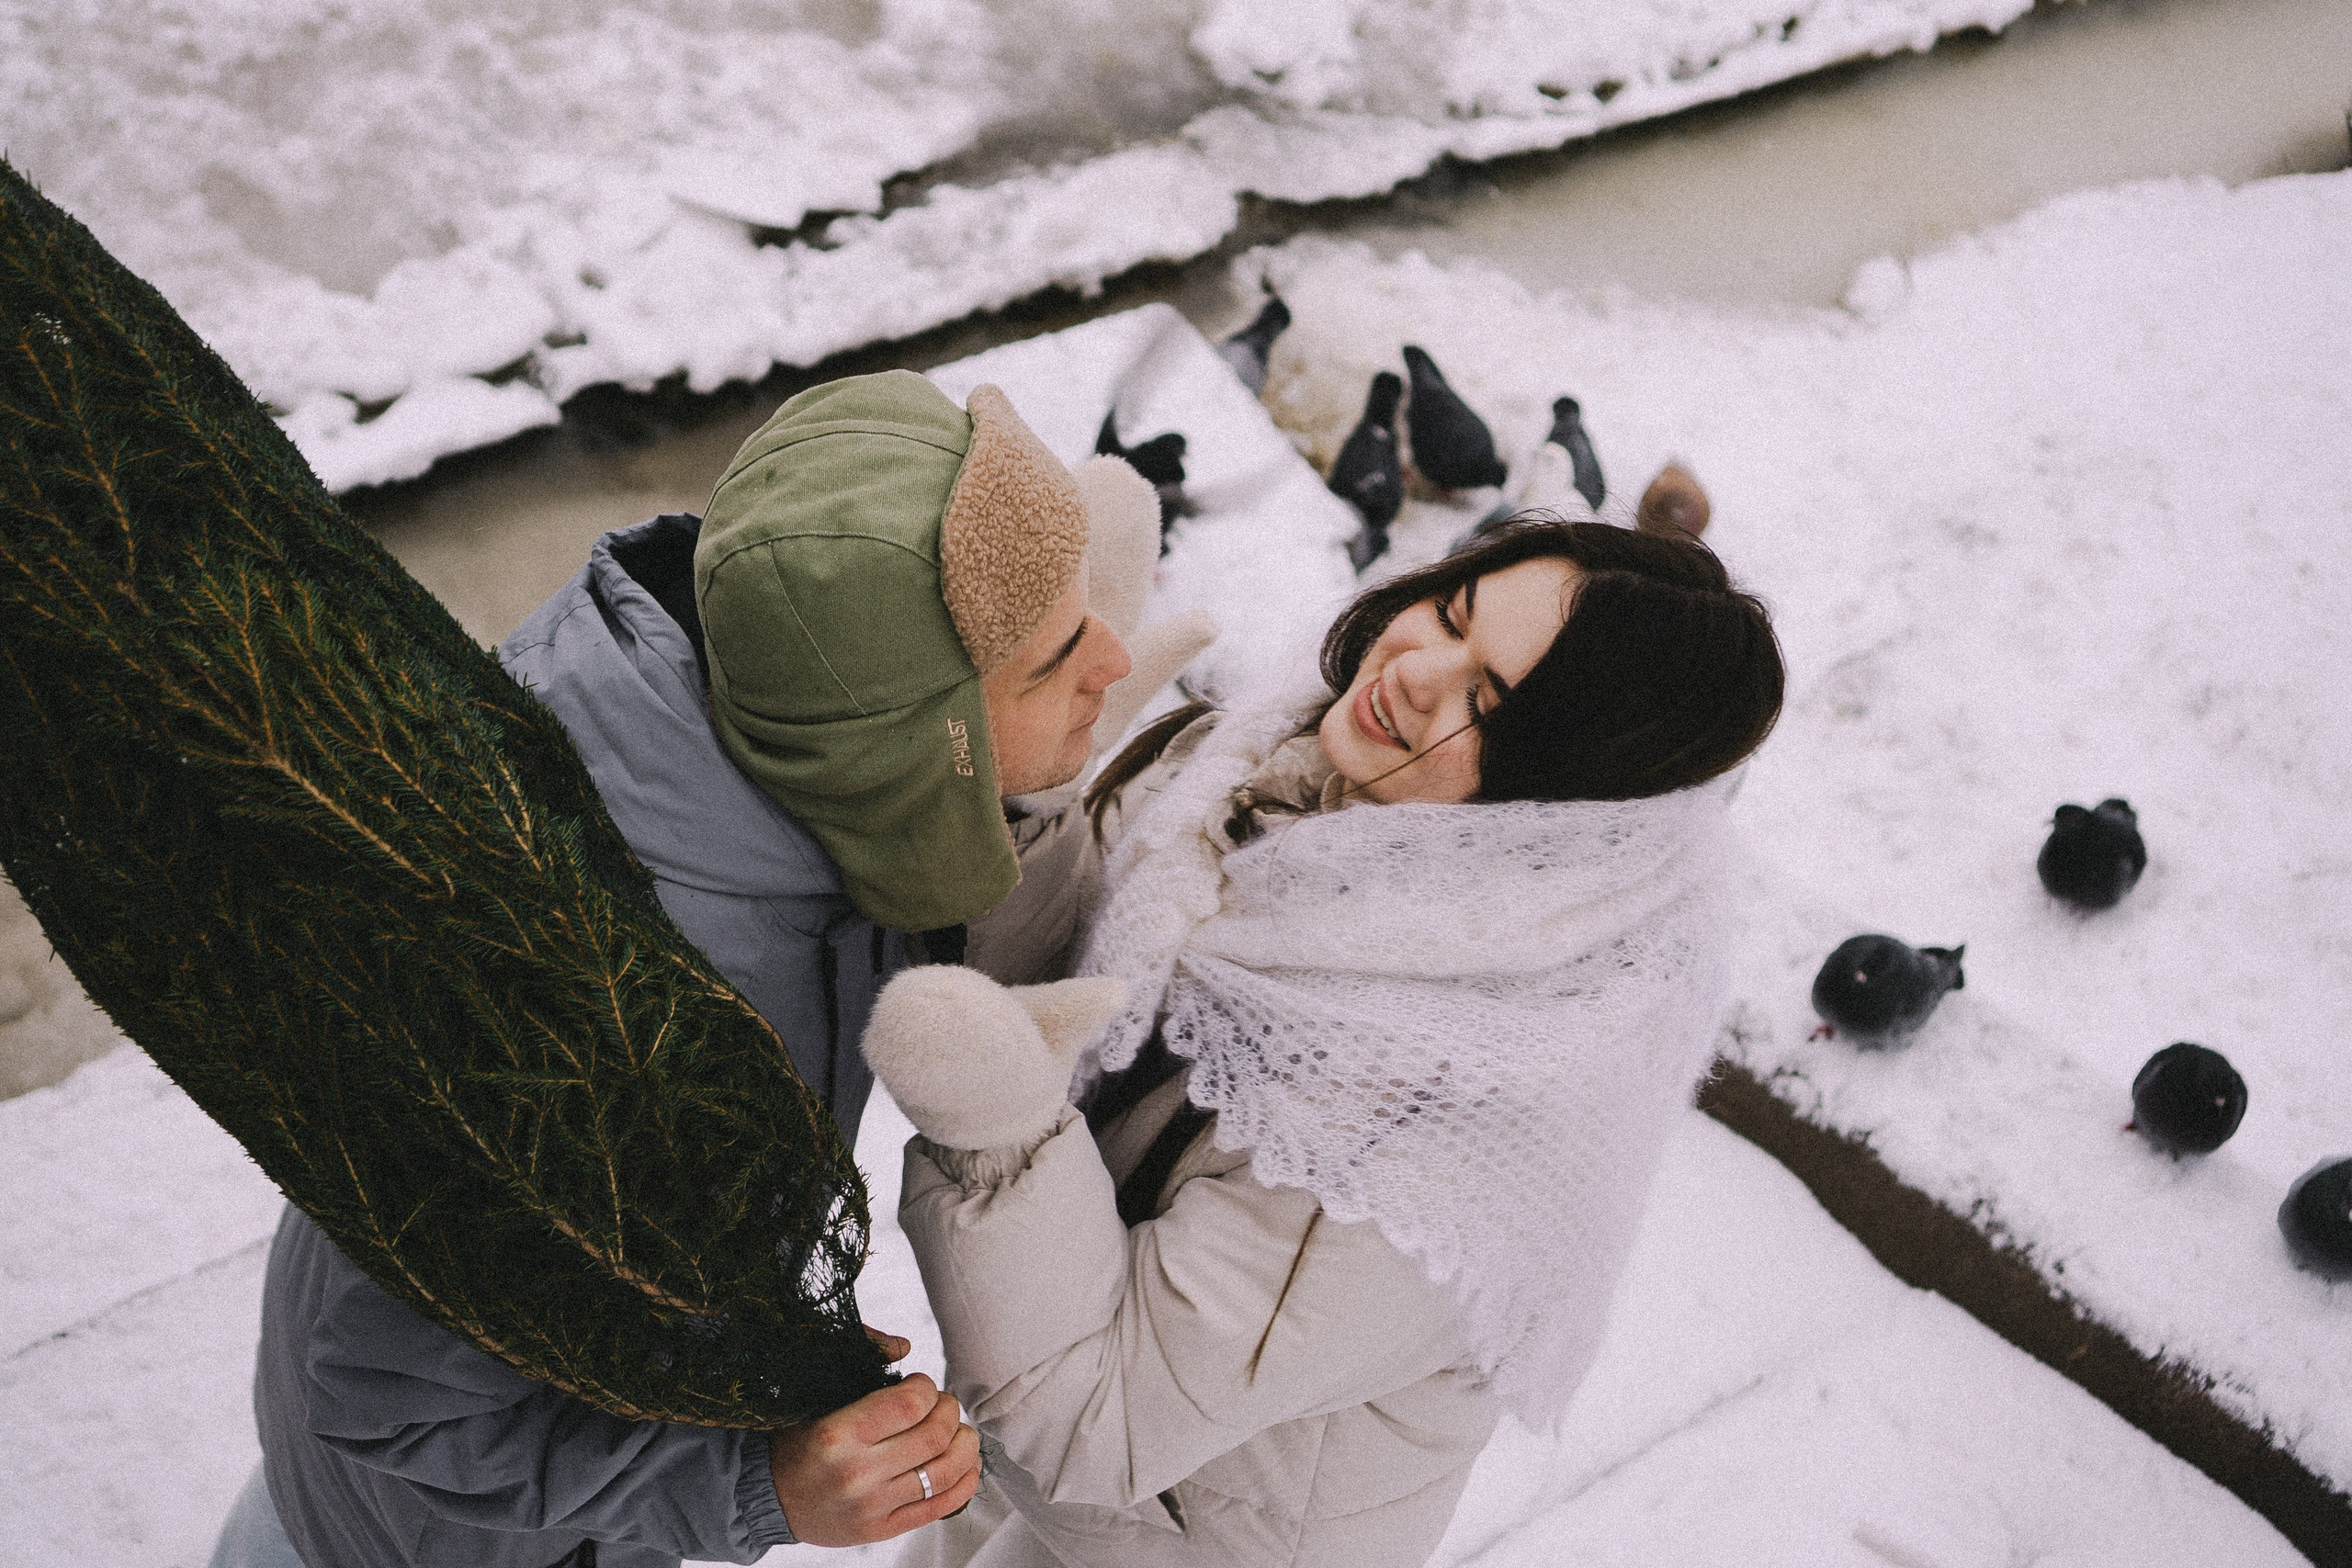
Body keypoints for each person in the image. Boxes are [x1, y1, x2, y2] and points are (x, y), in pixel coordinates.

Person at [215, 369, 1208, 1568]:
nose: (1113, 656)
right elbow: (389, 1400)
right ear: (904, 749)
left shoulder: (768, 735)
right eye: (1052, 657)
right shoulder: (586, 1024)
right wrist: (755, 1482)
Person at [858, 517, 1785, 1568]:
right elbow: (1069, 1003)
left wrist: (1002, 1129)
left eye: (1486, 702)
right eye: (1450, 612)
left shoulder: (1439, 1122)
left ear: (1560, 803)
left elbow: (1092, 1414)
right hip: (1036, 1434)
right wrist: (1033, 794)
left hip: (1170, 1528)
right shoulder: (1277, 769)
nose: (1416, 670)